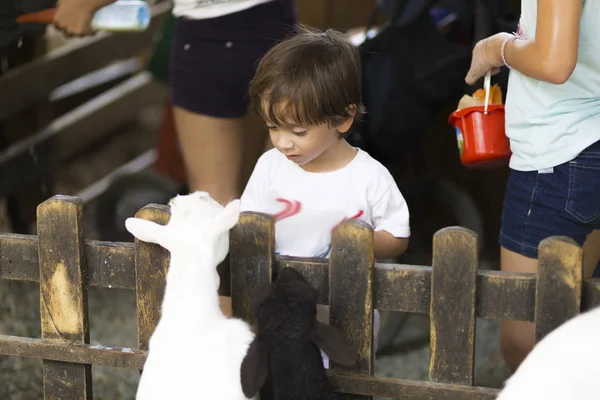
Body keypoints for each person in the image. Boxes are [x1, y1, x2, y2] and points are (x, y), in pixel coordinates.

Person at [53, 0, 297, 317]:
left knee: (213, 215)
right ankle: (254, 343)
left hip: (212, 28)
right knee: (242, 206)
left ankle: (221, 350)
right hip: (273, 21)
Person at [240, 26, 411, 366]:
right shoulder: (270, 167)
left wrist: (358, 244)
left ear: (344, 118)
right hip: (281, 313)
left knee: (344, 383)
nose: (283, 142)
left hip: (348, 315)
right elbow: (250, 227)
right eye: (273, 127)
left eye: (299, 131)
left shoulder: (368, 176)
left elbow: (398, 236)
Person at [465, 0, 600, 372]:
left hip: (561, 151)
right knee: (580, 318)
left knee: (528, 341)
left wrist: (496, 47)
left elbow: (554, 63)